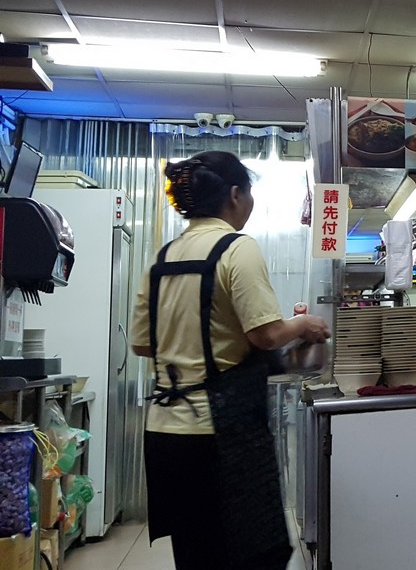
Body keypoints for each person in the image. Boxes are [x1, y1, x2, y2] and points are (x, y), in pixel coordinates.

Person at [130, 151, 330, 570]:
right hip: (221, 432)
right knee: (252, 553)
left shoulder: (163, 257)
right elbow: (266, 334)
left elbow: (143, 345)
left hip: (166, 432)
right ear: (236, 194)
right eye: (251, 193)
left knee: (195, 554)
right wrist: (303, 323)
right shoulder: (237, 248)